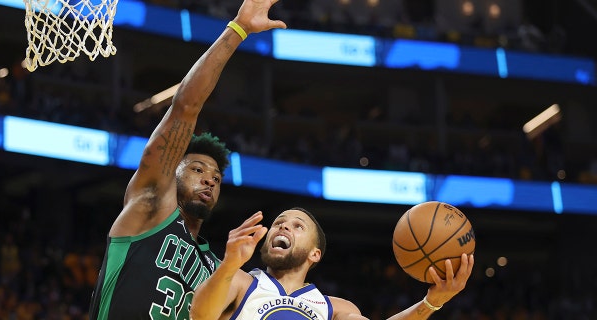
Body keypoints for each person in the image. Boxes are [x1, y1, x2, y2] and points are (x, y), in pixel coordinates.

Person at [87, 0, 287, 318]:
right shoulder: (149, 207)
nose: (209, 178)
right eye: (197, 169)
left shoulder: (215, 268)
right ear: (172, 175)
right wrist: (239, 29)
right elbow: (185, 108)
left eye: (217, 178)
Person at [189, 208, 475, 320]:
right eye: (278, 223)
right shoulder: (239, 281)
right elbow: (200, 315)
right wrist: (228, 264)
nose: (283, 228)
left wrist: (432, 302)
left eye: (297, 226)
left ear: (315, 254)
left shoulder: (335, 309)